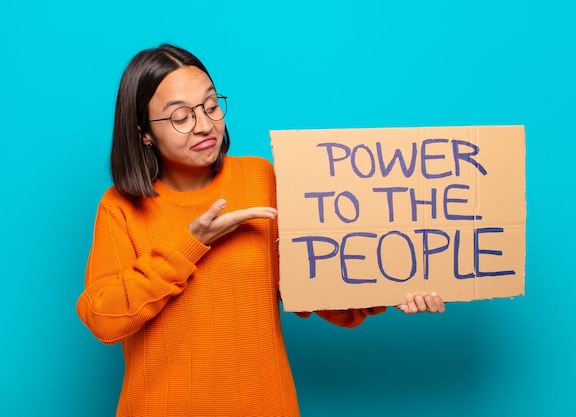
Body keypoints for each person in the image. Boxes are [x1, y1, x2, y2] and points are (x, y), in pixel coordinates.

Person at [76, 43, 445, 417]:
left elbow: (316, 289)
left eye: (210, 106)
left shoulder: (260, 179)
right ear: (143, 133)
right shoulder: (121, 206)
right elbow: (104, 319)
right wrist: (191, 245)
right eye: (181, 117)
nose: (205, 125)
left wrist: (391, 288)